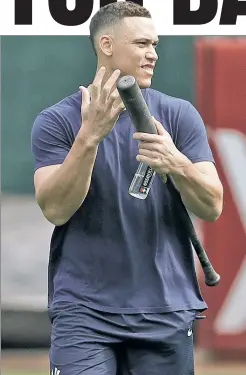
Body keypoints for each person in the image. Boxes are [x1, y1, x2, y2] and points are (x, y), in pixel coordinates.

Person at [31, 2, 223, 375]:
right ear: (106, 45)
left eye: (155, 45)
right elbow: (55, 209)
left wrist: (177, 163)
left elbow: (212, 205)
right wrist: (89, 137)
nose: (152, 54)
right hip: (83, 311)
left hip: (165, 308)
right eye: (141, 44)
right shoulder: (57, 121)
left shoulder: (179, 115)